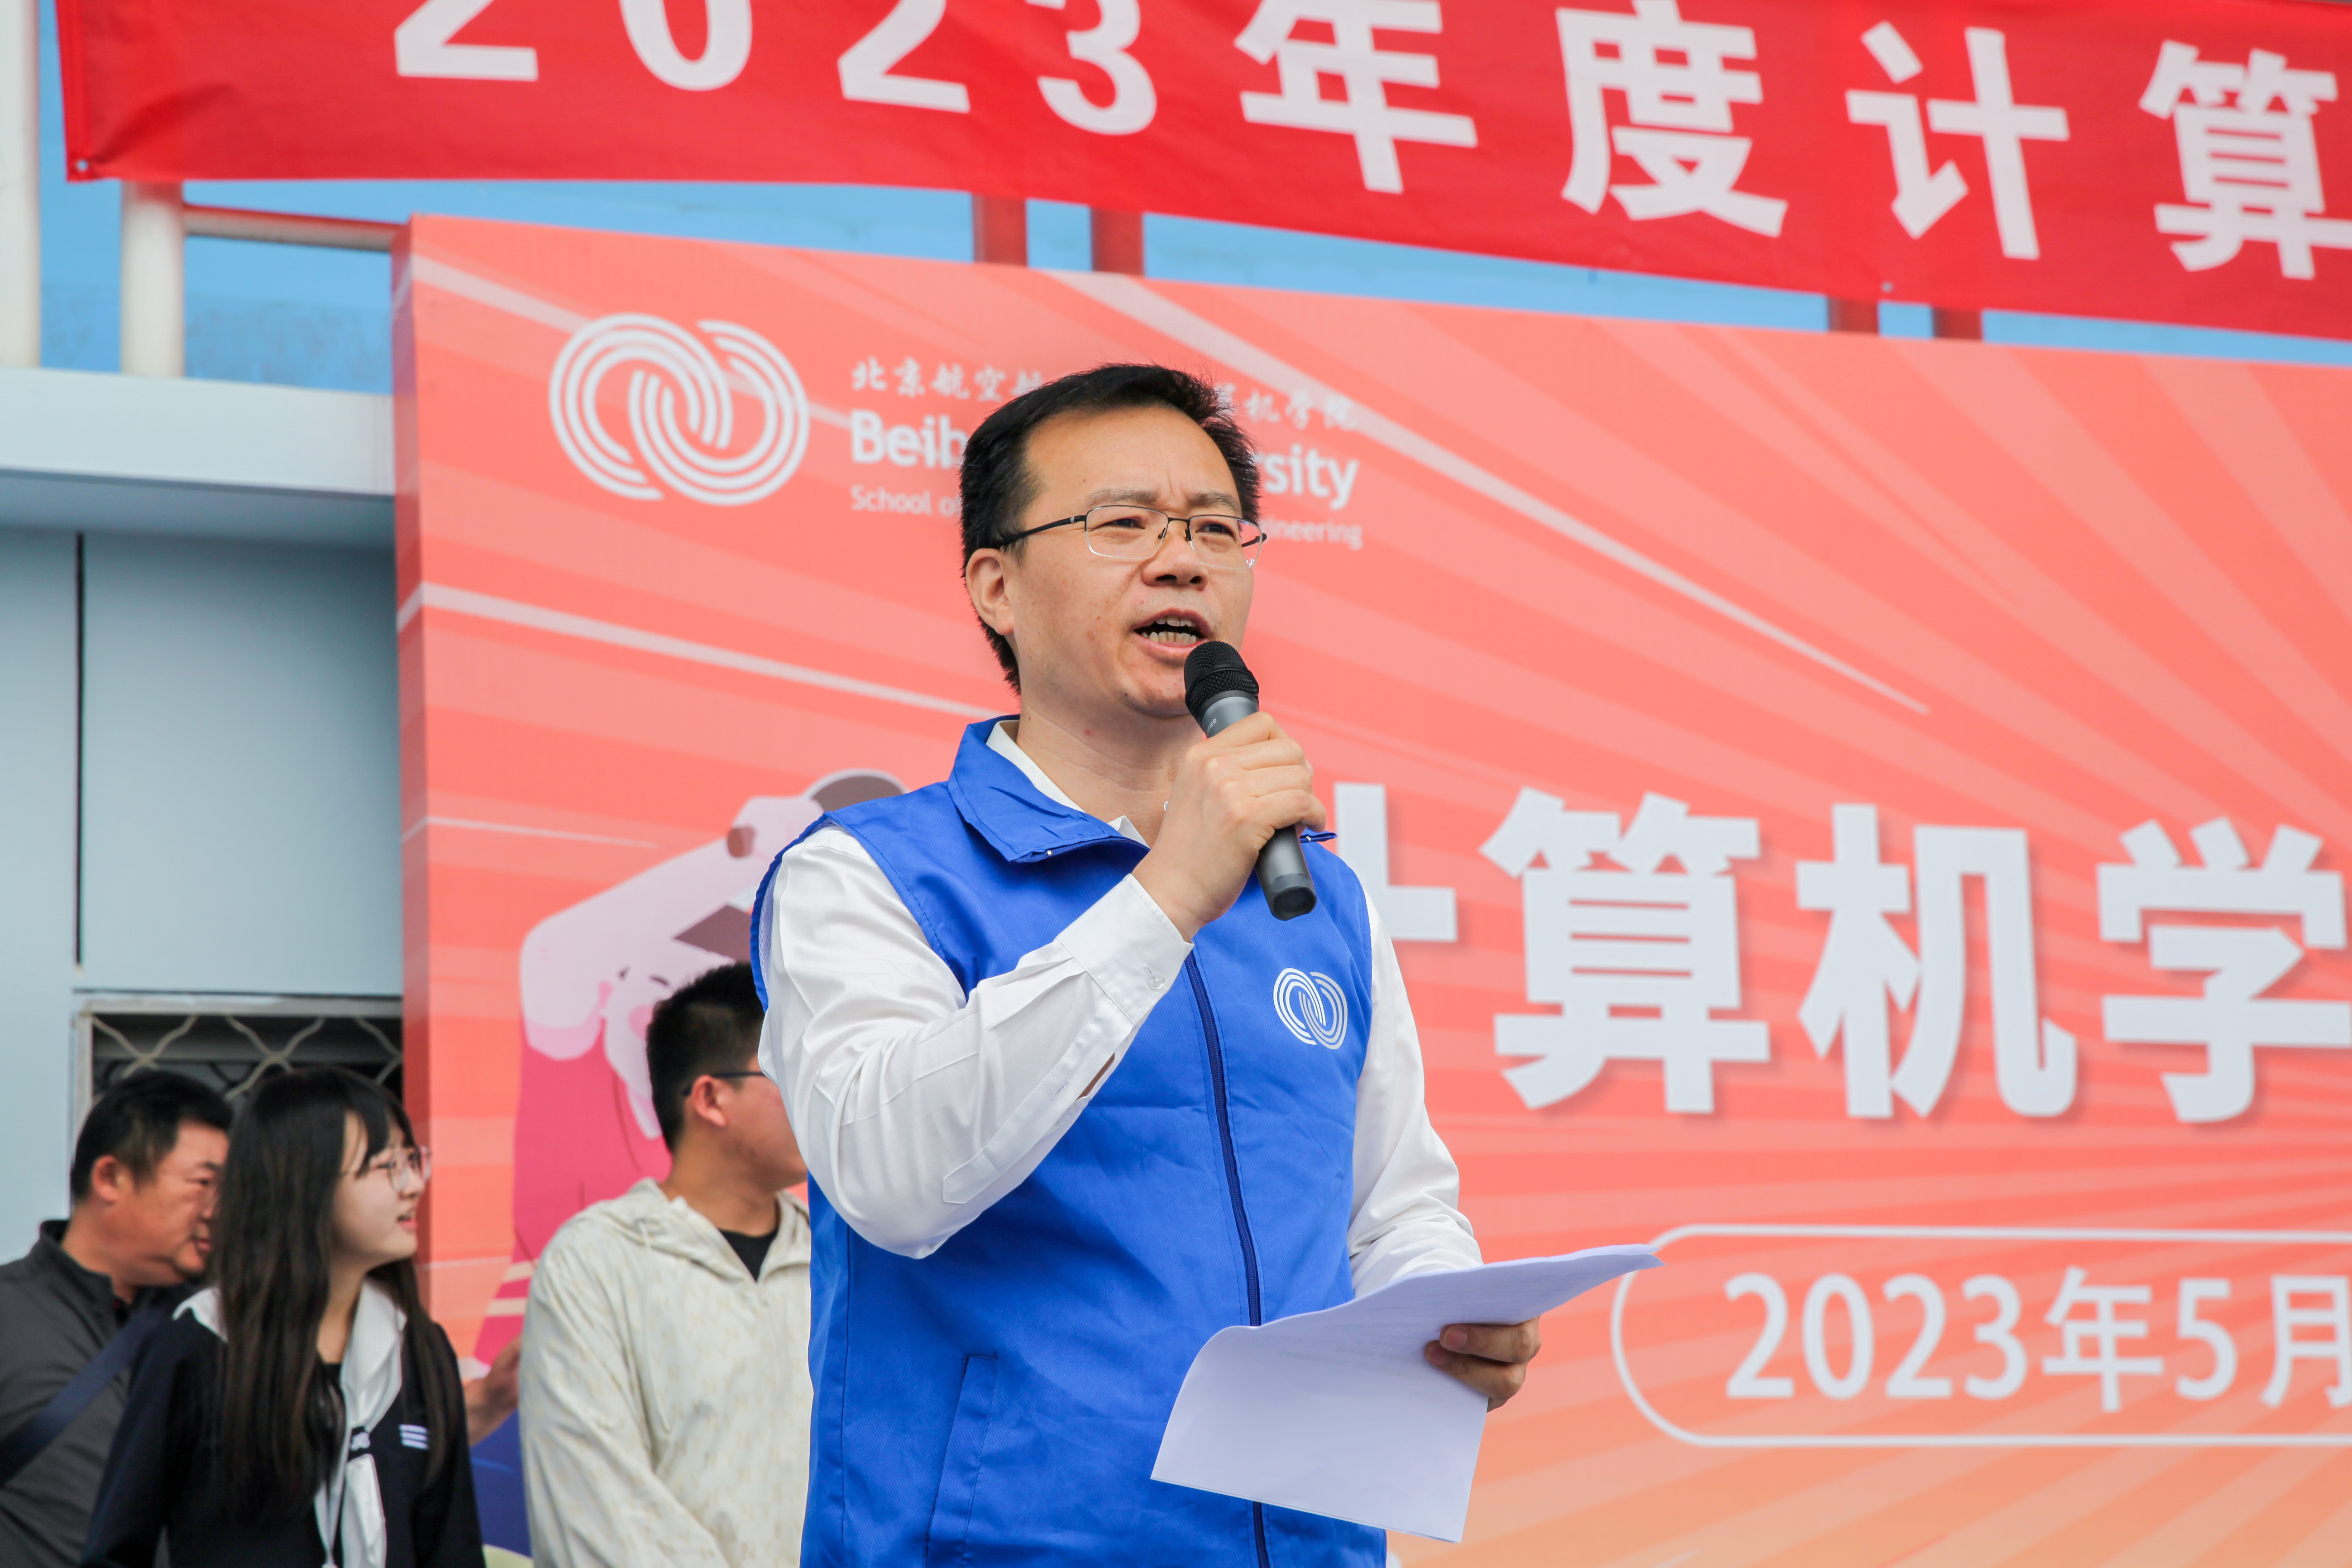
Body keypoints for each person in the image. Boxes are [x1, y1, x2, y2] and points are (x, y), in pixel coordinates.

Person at [755, 363, 1539, 1566]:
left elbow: (1393, 1206)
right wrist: (1167, 891)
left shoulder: (1318, 896)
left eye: (1215, 529)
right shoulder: (868, 874)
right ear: (996, 584)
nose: (1181, 563)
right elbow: (889, 1176)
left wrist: (1448, 1313)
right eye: (1123, 524)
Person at [82, 1068, 481, 1568]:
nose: (415, 1185)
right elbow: (117, 1549)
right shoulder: (202, 1342)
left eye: (412, 1160)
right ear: (305, 1184)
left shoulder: (417, 1347)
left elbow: (453, 1547)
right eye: (387, 1166)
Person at [519, 961, 813, 1568]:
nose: (820, 1095)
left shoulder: (841, 1258)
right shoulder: (597, 1261)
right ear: (711, 1098)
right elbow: (596, 1509)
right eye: (792, 1072)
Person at [0, 1073, 232, 1568]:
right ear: (110, 1178)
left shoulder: (215, 1331)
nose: (218, 1210)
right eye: (203, 1183)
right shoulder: (9, 1315)